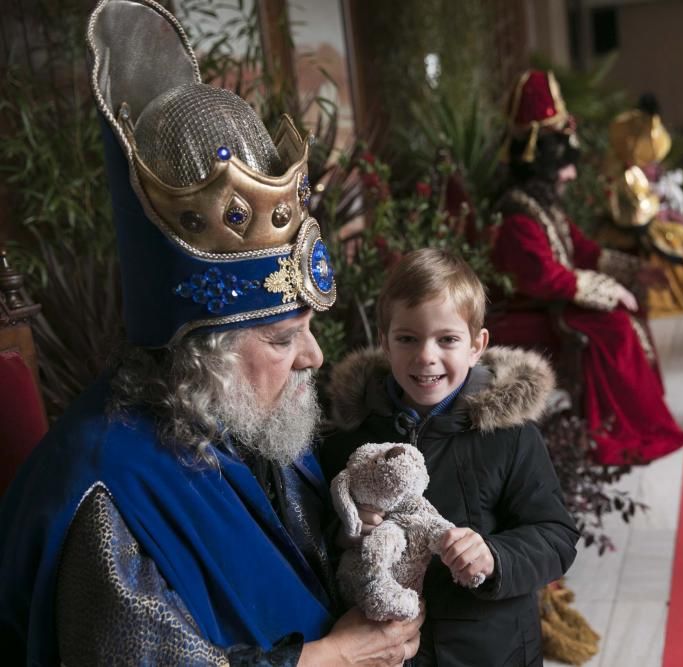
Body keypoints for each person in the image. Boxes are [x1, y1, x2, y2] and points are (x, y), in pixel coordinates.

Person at [0, 1, 420, 664]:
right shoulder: (102, 489)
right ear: (202, 352)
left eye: (307, 330)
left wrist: (359, 526)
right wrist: (335, 657)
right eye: (284, 337)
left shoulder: (234, 407)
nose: (314, 356)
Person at [319, 248, 579, 666]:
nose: (426, 356)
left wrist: (495, 556)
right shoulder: (350, 435)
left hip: (491, 651)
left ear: (477, 345)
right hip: (390, 648)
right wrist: (346, 529)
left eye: (448, 340)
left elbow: (555, 535)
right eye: (408, 338)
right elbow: (316, 528)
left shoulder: (510, 436)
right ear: (384, 341)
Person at [489, 70, 683, 465]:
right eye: (564, 165)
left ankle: (638, 419)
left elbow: (581, 249)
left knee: (626, 315)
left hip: (549, 299)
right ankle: (613, 429)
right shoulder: (519, 216)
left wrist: (634, 272)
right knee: (614, 327)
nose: (571, 173)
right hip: (526, 309)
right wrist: (608, 290)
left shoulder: (542, 205)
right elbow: (543, 278)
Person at [598, 102, 683, 317]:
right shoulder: (625, 173)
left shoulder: (630, 169)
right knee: (676, 236)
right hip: (634, 228)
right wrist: (655, 199)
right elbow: (635, 213)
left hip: (645, 219)